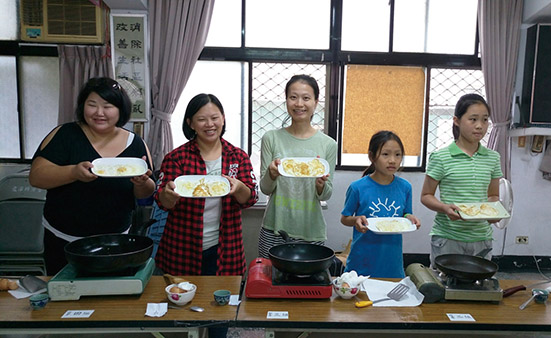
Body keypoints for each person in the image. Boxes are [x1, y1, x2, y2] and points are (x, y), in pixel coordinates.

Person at [29, 77, 155, 275]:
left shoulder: (136, 143)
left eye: (108, 106)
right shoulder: (66, 134)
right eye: (92, 105)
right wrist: (72, 172)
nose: (99, 113)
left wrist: (142, 182)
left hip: (116, 242)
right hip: (63, 240)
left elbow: (146, 193)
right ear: (83, 106)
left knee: (109, 300)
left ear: (120, 109)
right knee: (65, 297)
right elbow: (36, 177)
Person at [155, 93, 258, 276]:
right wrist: (168, 194)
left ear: (223, 119)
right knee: (181, 300)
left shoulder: (237, 156)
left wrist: (239, 187)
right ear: (190, 123)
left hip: (226, 249)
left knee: (225, 302)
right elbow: (163, 202)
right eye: (201, 119)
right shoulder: (176, 157)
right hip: (181, 248)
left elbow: (249, 199)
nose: (209, 124)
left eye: (214, 118)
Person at [258, 74, 337, 258]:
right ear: (286, 100)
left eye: (306, 98)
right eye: (293, 97)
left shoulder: (328, 144)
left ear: (316, 102)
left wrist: (321, 186)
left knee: (306, 284)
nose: (299, 103)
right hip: (274, 228)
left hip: (311, 230)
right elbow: (265, 189)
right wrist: (271, 174)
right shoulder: (271, 138)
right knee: (271, 281)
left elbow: (326, 194)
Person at [420, 93, 503, 267]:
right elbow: (426, 195)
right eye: (473, 119)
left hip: (481, 237)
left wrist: (493, 212)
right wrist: (444, 208)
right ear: (457, 121)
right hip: (448, 237)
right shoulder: (441, 157)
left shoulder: (493, 158)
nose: (480, 126)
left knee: (477, 288)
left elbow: (493, 195)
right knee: (442, 287)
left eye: (485, 120)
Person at [340, 130, 421, 278]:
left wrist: (410, 217)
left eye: (398, 155)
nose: (392, 160)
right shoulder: (357, 187)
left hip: (392, 261)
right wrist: (356, 220)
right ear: (372, 156)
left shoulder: (405, 187)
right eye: (385, 154)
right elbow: (345, 218)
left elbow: (405, 214)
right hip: (362, 259)